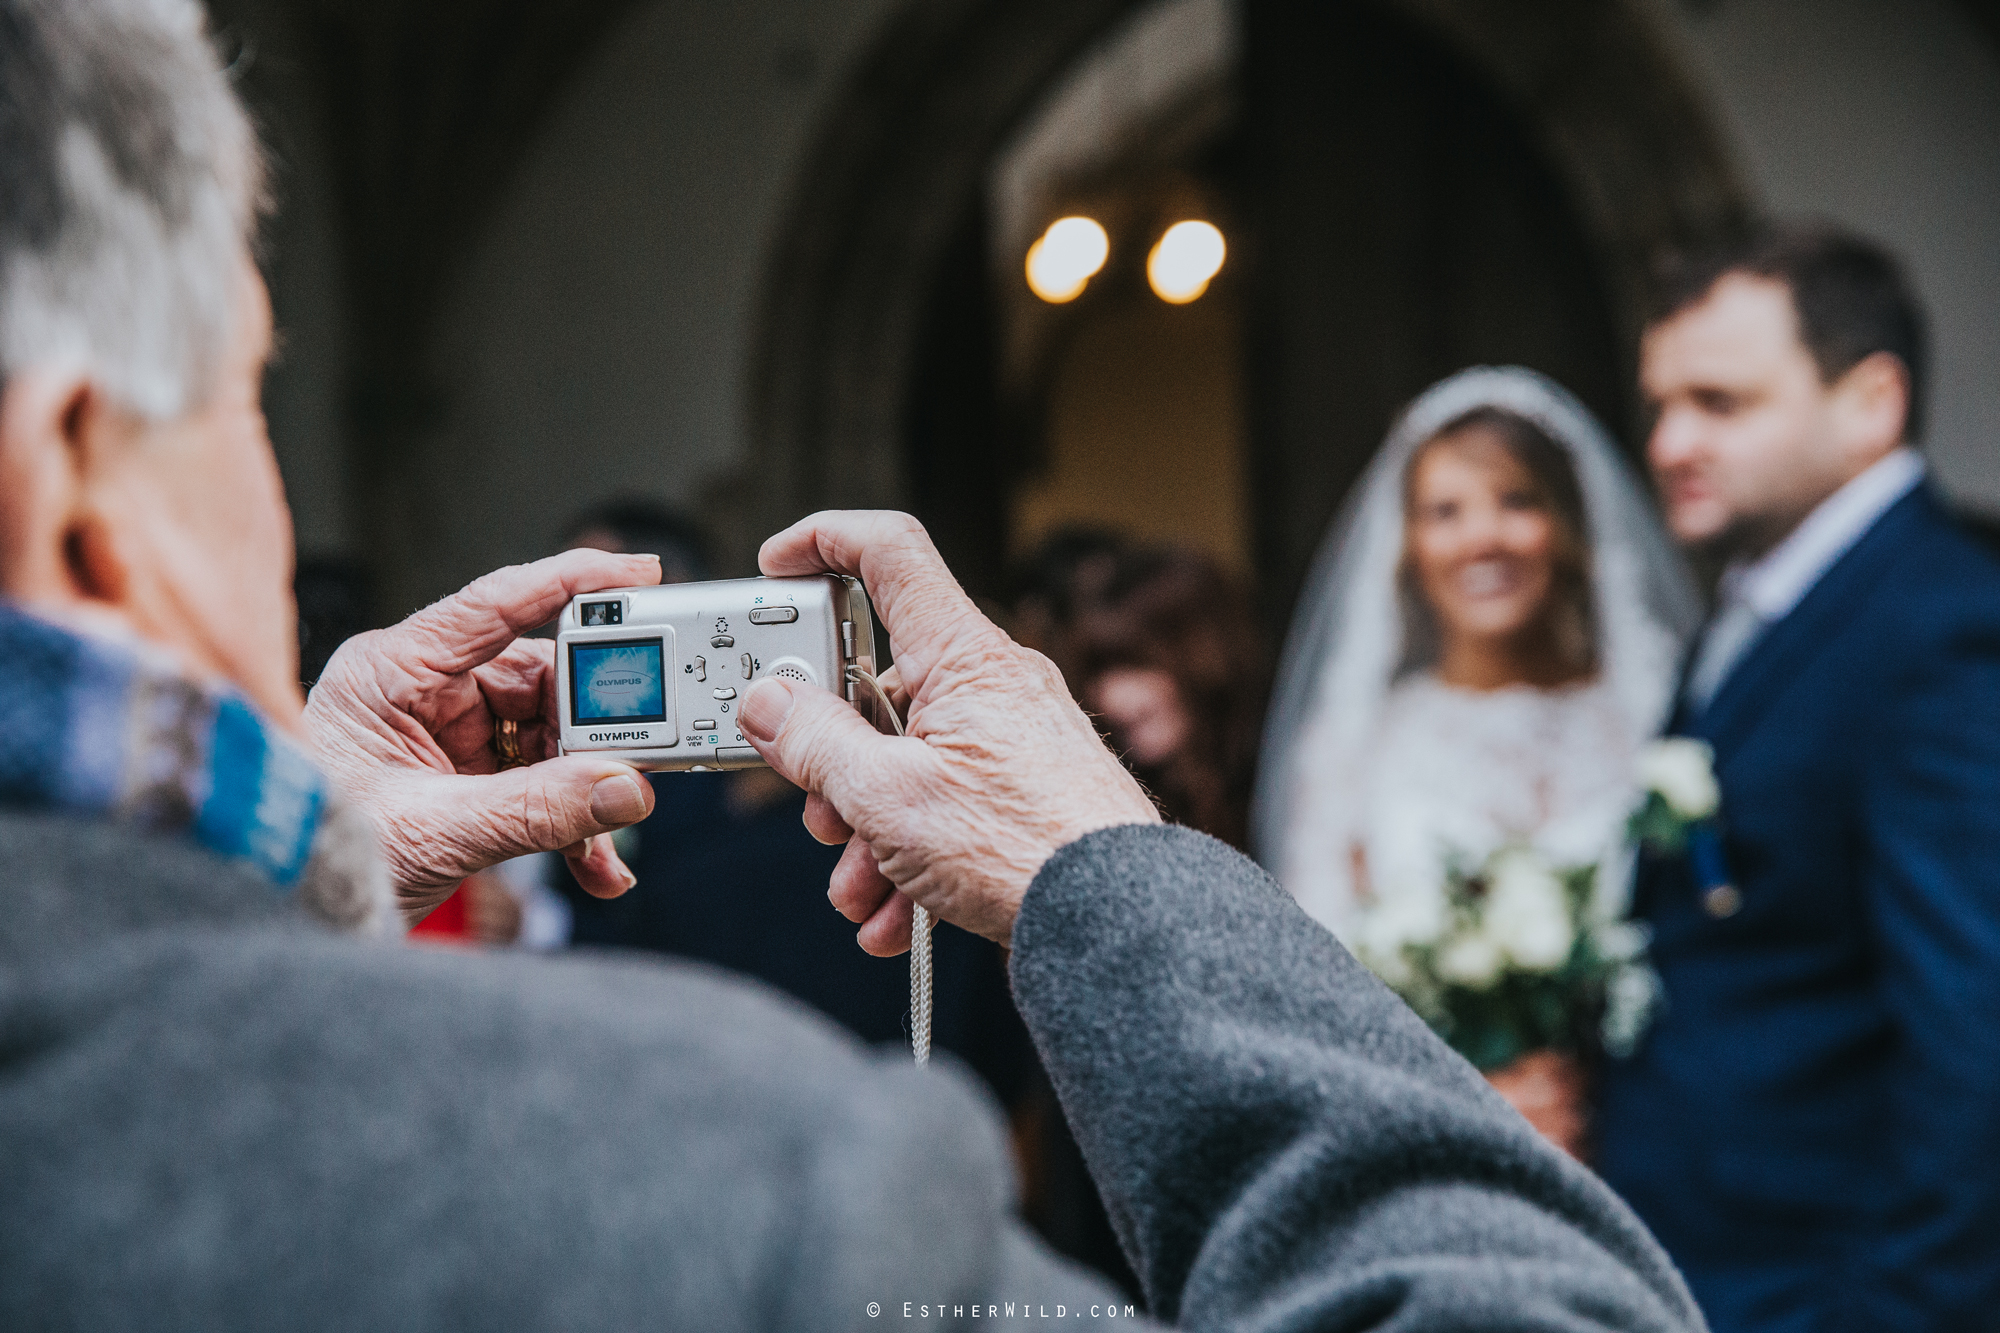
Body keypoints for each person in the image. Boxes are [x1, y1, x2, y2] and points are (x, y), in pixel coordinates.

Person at [0, 3, 1708, 1327]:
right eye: (247, 393)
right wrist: (1088, 870)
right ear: (77, 487)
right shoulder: (717, 1184)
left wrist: (310, 866)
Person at [1592, 225, 2000, 1331]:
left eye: (1719, 403)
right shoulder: (1757, 601)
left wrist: (1889, 1312)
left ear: (1869, 402)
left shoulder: (1941, 629)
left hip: (1815, 1286)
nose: (1669, 440)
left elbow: (1974, 1033)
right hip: (1699, 1257)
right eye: (1659, 403)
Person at [1255, 368, 1701, 1153]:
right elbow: (1313, 995)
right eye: (1444, 511)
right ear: (1407, 544)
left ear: (1568, 524)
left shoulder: (1651, 719)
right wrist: (1479, 1097)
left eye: (1517, 501)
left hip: (1651, 1142)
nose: (1481, 537)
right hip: (1429, 1146)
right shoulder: (1353, 745)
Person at [1066, 546, 1268, 851]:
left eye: (1138, 663)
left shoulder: (1278, 769)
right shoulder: (1109, 791)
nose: (1111, 698)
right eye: (1100, 669)